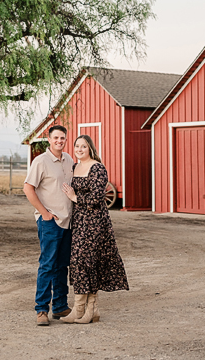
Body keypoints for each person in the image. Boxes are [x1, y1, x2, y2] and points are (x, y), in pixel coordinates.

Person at [59, 134, 129, 323]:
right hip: (79, 221)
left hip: (95, 221)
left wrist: (75, 197)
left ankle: (90, 310)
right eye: (77, 146)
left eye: (83, 146)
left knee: (87, 261)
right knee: (78, 262)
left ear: (90, 148)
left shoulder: (97, 168)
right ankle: (81, 309)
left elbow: (97, 197)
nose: (79, 149)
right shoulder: (75, 167)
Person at [23, 124, 75, 326]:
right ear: (49, 139)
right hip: (50, 222)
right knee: (48, 265)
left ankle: (60, 306)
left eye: (62, 138)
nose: (59, 141)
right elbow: (28, 188)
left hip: (67, 221)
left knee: (62, 265)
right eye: (56, 138)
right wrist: (44, 214)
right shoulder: (41, 161)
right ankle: (42, 310)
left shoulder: (68, 159)